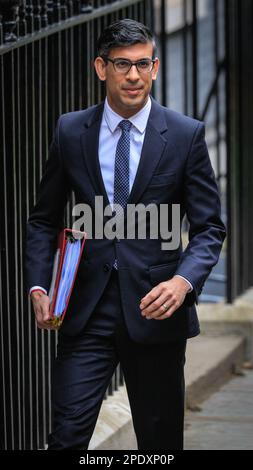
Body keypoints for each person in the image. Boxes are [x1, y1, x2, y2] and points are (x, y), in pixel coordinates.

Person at [26, 19, 226, 450]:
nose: (133, 76)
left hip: (156, 311)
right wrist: (40, 284)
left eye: (142, 64)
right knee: (66, 437)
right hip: (85, 312)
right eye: (122, 64)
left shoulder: (185, 135)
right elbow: (43, 219)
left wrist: (182, 281)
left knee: (159, 444)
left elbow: (209, 226)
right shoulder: (70, 130)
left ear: (154, 68)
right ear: (102, 68)